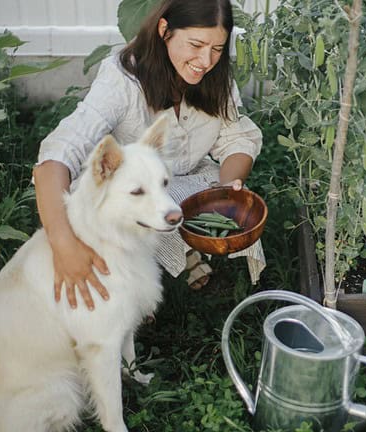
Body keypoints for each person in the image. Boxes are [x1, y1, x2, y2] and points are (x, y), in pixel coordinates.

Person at [33, 0, 265, 311]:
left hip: (191, 177)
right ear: (164, 30)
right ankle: (127, 286)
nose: (206, 60)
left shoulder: (215, 75)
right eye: (195, 44)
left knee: (205, 193)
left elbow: (235, 137)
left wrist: (226, 190)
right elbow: (60, 153)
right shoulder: (123, 79)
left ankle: (179, 253)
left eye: (217, 48)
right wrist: (62, 245)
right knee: (124, 203)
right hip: (133, 190)